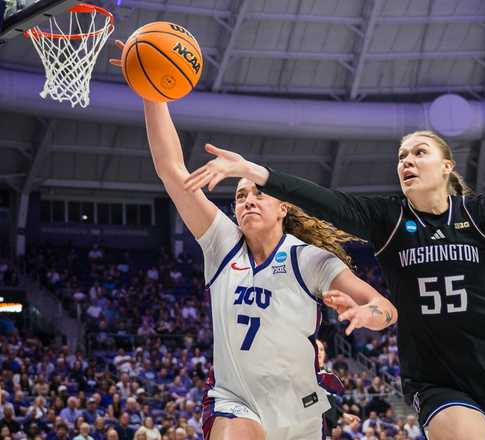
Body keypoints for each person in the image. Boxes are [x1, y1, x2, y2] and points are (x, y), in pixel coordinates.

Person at [185, 130, 485, 439]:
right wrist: (253, 171)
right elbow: (323, 200)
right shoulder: (389, 218)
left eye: (419, 152)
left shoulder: (480, 212)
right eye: (401, 156)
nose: (407, 161)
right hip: (438, 379)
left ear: (447, 166)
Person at [110, 41, 397, 440]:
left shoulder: (309, 260)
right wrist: (152, 93)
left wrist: (371, 316)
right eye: (240, 195)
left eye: (257, 194)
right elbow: (171, 170)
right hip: (234, 399)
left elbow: (383, 307)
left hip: (300, 407)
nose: (246, 200)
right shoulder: (222, 244)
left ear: (283, 208)